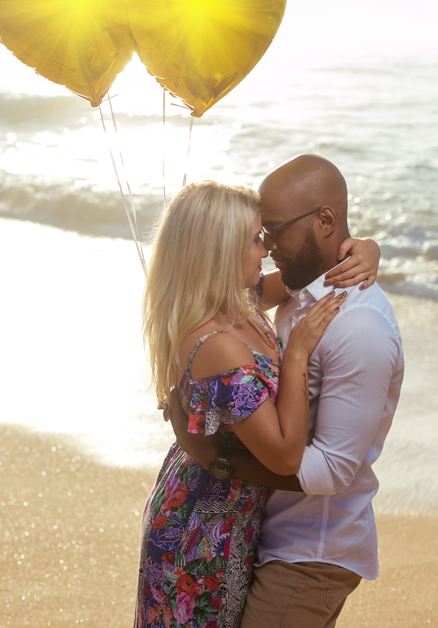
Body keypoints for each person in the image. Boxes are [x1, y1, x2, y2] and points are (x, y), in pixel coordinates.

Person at [169, 155, 404, 628]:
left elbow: (333, 469)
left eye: (274, 231)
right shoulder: (297, 292)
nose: (269, 246)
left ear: (325, 220)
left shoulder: (359, 327)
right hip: (265, 534)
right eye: (260, 235)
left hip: (309, 548)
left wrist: (215, 459)